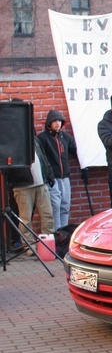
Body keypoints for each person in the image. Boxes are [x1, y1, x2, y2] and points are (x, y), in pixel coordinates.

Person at [7, 112, 55, 255]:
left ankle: (48, 246)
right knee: (25, 219)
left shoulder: (34, 139)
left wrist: (49, 175)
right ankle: (29, 248)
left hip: (41, 183)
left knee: (48, 215)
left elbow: (43, 158)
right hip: (23, 185)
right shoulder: (12, 142)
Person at [37, 109, 77, 230]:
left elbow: (76, 150)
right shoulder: (43, 138)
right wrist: (48, 176)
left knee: (65, 206)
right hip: (52, 178)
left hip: (65, 177)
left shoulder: (65, 137)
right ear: (49, 123)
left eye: (59, 120)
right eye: (54, 121)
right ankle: (57, 234)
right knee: (56, 206)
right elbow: (42, 159)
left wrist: (84, 166)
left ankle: (63, 233)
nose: (57, 123)